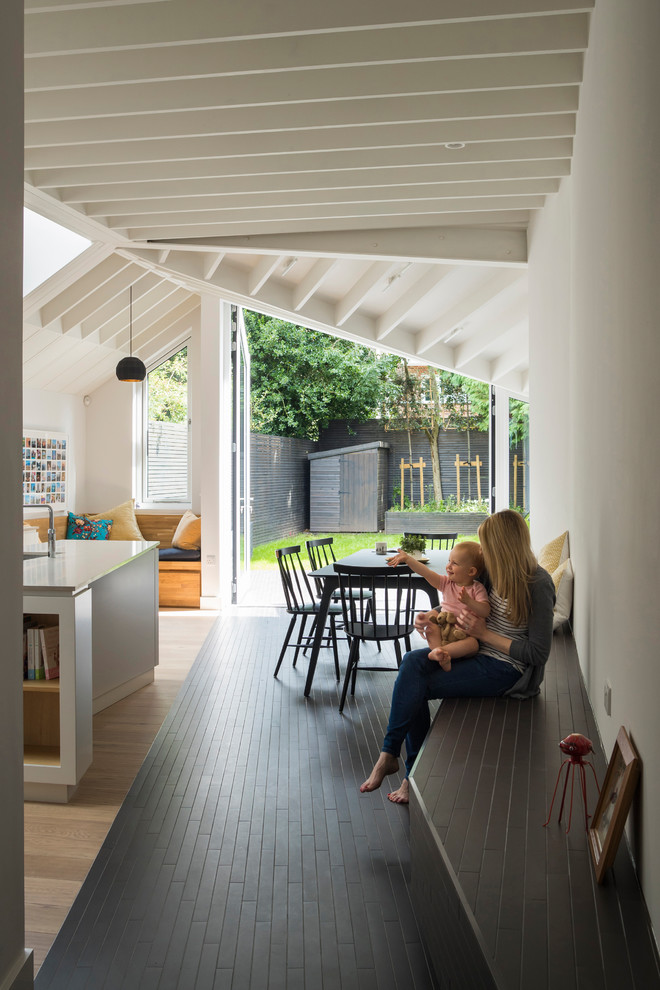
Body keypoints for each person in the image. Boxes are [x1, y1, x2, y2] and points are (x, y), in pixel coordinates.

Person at [362, 509, 555, 804]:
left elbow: (538, 653)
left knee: (417, 685)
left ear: (503, 547)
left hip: (507, 669)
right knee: (413, 662)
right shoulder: (492, 573)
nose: (484, 555)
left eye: (488, 547)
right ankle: (390, 755)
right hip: (474, 649)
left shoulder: (537, 584)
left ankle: (409, 774)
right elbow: (458, 604)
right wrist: (433, 615)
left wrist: (484, 634)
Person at [386, 542, 490, 670]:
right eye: (449, 561)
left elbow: (485, 611)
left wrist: (469, 602)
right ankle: (440, 654)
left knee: (473, 644)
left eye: (454, 563)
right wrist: (408, 559)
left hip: (464, 636)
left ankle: (442, 652)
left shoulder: (477, 588)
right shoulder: (446, 583)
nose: (448, 566)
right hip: (443, 632)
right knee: (431, 628)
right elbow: (426, 573)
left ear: (471, 571)